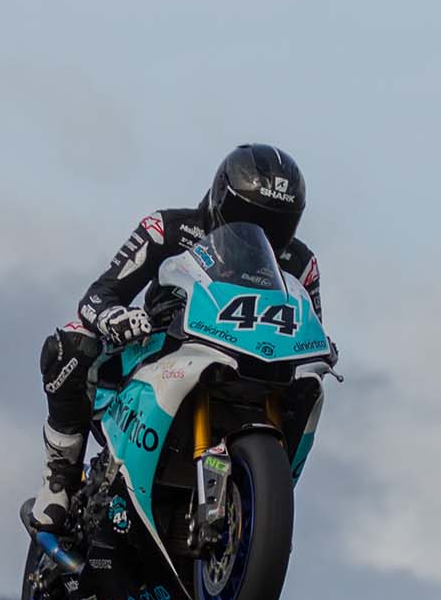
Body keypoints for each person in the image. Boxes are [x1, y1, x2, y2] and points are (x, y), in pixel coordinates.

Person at [30, 144, 323, 536]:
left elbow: (313, 325)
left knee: (310, 382)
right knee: (71, 343)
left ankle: (258, 504)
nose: (262, 234)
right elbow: (99, 296)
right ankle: (60, 477)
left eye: (277, 225)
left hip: (254, 363)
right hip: (159, 348)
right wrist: (114, 317)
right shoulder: (168, 229)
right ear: (220, 199)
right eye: (248, 217)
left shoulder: (301, 264)